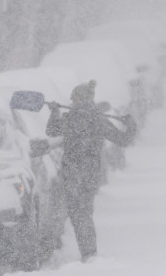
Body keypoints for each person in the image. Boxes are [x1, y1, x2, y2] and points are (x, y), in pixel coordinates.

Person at [46, 80, 137, 262]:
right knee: (85, 213)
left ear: (77, 100)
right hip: (91, 174)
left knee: (77, 214)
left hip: (72, 174)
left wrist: (54, 112)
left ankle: (88, 252)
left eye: (73, 100)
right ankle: (89, 253)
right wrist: (131, 125)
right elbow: (123, 139)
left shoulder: (70, 119)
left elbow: (51, 130)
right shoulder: (98, 120)